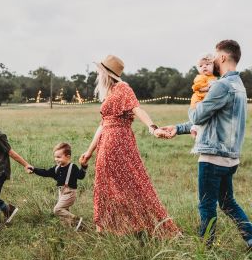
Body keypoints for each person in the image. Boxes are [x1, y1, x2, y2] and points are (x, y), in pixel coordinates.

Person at [159, 40, 252, 248]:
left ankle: (205, 250)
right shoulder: (239, 86)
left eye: (215, 57)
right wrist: (178, 128)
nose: (212, 62)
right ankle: (251, 239)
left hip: (212, 158)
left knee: (206, 206)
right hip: (230, 158)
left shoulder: (220, 85)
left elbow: (199, 116)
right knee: (228, 203)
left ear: (223, 57)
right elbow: (212, 119)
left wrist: (194, 102)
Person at [80, 55, 181, 237]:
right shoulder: (110, 92)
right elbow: (103, 124)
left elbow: (137, 108)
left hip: (119, 142)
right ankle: (105, 229)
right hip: (106, 142)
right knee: (104, 185)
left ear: (106, 73)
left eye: (99, 71)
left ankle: (142, 225)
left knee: (132, 184)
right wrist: (89, 152)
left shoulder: (122, 88)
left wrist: (152, 128)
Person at [28, 142, 87, 230]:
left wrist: (83, 166)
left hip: (70, 192)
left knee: (57, 209)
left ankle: (77, 220)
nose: (56, 159)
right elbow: (46, 172)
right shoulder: (57, 168)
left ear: (68, 156)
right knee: (64, 213)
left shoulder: (72, 167)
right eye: (55, 157)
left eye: (59, 157)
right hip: (61, 192)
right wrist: (34, 169)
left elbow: (81, 176)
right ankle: (70, 229)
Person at [190, 54, 217, 138]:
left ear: (213, 66)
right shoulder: (200, 77)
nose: (204, 67)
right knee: (201, 115)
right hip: (199, 99)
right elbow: (197, 87)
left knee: (206, 117)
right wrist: (208, 88)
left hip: (205, 99)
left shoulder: (213, 77)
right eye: (201, 66)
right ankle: (194, 128)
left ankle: (196, 129)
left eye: (207, 64)